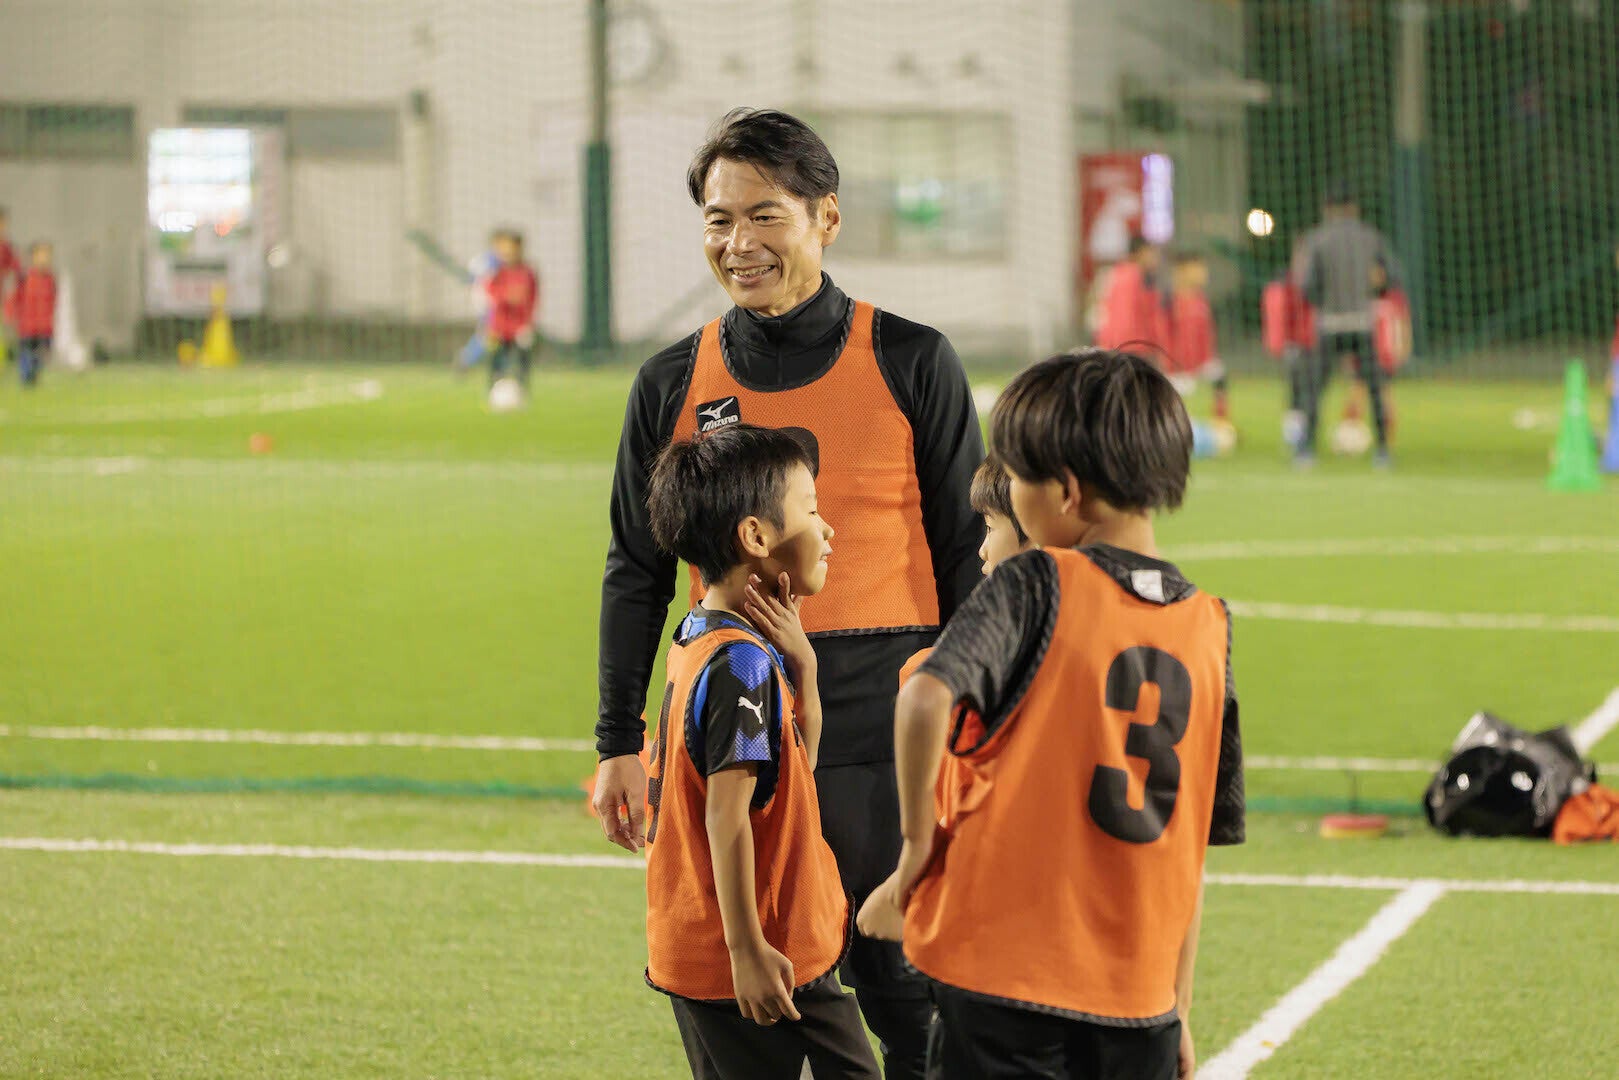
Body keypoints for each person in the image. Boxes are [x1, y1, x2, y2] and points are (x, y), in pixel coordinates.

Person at [593, 108, 985, 1079]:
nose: (739, 243)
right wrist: (615, 743)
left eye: (764, 215)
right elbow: (635, 569)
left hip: (887, 729)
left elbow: (969, 559)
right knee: (756, 1003)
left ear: (826, 218)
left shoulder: (911, 360)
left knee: (910, 998)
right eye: (718, 220)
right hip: (739, 731)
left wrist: (978, 731)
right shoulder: (670, 382)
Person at [859, 349, 1245, 1080]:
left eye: (1016, 476)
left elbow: (923, 697)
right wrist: (1178, 1006)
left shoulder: (1038, 579)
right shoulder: (1210, 626)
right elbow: (1190, 843)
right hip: (1138, 1000)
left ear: (1064, 491)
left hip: (1001, 973)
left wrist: (913, 857)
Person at [642, 423, 879, 1080]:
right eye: (811, 510)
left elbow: (792, 773)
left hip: (715, 950)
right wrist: (746, 950)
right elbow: (726, 815)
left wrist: (804, 669)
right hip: (763, 956)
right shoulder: (741, 666)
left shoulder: (701, 635)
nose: (827, 530)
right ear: (755, 536)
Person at [1297, 182, 1402, 467]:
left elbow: (1307, 286)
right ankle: (1383, 451)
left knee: (1316, 387)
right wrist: (1372, 292)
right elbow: (1392, 276)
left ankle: (1305, 449)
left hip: (1330, 323)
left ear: (1327, 208)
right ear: (1353, 208)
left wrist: (1324, 302)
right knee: (1375, 387)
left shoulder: (1318, 239)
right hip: (1362, 322)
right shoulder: (1370, 237)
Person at [1164, 251, 1228, 421]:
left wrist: (1209, 355)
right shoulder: (1171, 301)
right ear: (1183, 271)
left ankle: (1220, 422)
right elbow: (1164, 336)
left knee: (1220, 377)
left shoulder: (1201, 299)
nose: (1203, 272)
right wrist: (1171, 363)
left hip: (1203, 360)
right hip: (1179, 366)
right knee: (1177, 411)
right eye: (1198, 268)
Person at [484, 229, 538, 389]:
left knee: (522, 358)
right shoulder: (497, 271)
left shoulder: (527, 272)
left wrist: (528, 323)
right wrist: (506, 296)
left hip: (520, 325)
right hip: (500, 326)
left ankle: (522, 388)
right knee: (496, 358)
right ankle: (494, 387)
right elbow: (491, 291)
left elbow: (533, 298)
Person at [1095, 235, 1167, 354]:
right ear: (1139, 254)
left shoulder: (1119, 273)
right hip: (1132, 347)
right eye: (1151, 253)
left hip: (1115, 345)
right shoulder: (1135, 277)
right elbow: (1129, 318)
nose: (1155, 259)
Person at [9, 242, 56, 388]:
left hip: (45, 327)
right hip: (27, 326)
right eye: (40, 255)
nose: (44, 259)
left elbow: (53, 301)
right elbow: (16, 297)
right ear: (33, 257)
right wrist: (10, 313)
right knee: (26, 353)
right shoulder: (25, 278)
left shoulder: (50, 279)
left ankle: (33, 377)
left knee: (40, 356)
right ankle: (26, 379)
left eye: (46, 255)